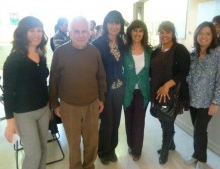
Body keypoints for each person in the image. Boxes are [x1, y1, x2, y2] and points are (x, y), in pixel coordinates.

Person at [49, 16, 107, 169]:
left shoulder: (94, 52)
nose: (81, 35)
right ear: (69, 33)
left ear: (90, 33)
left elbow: (101, 76)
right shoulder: (60, 52)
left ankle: (89, 166)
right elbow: (53, 80)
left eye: (84, 31)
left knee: (92, 141)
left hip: (92, 104)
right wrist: (55, 104)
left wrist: (101, 98)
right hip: (69, 106)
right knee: (74, 144)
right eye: (77, 31)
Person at [3, 16, 50, 169]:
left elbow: (43, 84)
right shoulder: (14, 59)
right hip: (24, 113)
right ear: (23, 32)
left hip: (43, 109)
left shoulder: (41, 55)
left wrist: (48, 106)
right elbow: (8, 92)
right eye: (32, 30)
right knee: (33, 154)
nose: (36, 34)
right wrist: (10, 121)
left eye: (39, 30)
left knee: (44, 148)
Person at [185, 21, 220, 169]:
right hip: (193, 99)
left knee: (199, 129)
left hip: (208, 101)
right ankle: (197, 154)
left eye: (207, 33)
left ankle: (202, 159)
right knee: (197, 129)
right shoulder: (192, 53)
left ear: (213, 36)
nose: (203, 36)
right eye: (200, 33)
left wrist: (215, 102)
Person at [150, 21, 190, 164]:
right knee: (162, 117)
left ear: (173, 33)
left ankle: (165, 149)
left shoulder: (179, 49)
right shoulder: (156, 51)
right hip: (157, 92)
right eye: (161, 32)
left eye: (167, 32)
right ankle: (171, 143)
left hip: (173, 93)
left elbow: (184, 71)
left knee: (167, 121)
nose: (164, 35)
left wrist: (167, 85)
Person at [91, 10, 125, 165]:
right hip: (105, 91)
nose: (114, 26)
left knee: (116, 121)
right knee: (106, 122)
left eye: (117, 23)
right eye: (111, 22)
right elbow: (94, 71)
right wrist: (98, 94)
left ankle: (112, 149)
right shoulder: (97, 44)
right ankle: (103, 152)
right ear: (106, 24)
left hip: (119, 89)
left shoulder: (121, 42)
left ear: (121, 25)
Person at [122, 20, 152, 161]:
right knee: (128, 120)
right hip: (127, 91)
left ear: (144, 33)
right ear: (130, 32)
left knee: (139, 121)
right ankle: (130, 145)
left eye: (140, 30)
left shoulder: (150, 51)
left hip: (143, 92)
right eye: (134, 30)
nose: (137, 33)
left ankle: (137, 150)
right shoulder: (124, 49)